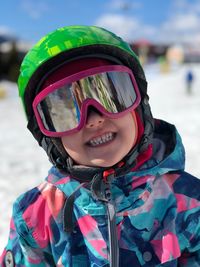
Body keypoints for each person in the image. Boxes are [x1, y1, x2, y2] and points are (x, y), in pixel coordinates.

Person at [0, 25, 200, 267]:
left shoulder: (188, 201)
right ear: (49, 137)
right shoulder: (35, 216)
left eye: (111, 96)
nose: (94, 118)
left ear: (140, 108)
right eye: (66, 111)